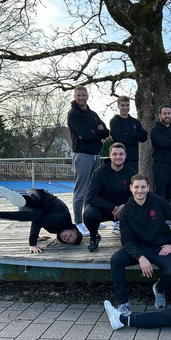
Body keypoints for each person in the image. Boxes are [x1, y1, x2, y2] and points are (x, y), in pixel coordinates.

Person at [110, 174, 171, 315]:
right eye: (136, 187)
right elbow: (126, 240)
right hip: (138, 247)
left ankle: (159, 289)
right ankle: (123, 303)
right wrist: (140, 257)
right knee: (116, 260)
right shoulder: (126, 210)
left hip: (160, 247)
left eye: (143, 187)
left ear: (148, 187)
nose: (140, 190)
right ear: (131, 188)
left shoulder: (159, 202)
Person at [0, 186, 82, 253]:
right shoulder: (63, 219)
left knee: (33, 214)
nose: (67, 238)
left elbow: (40, 220)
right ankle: (21, 196)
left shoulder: (56, 229)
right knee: (36, 213)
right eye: (71, 236)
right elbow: (39, 221)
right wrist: (32, 244)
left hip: (29, 207)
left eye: (67, 241)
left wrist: (37, 236)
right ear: (74, 229)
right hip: (39, 195)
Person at [67, 85, 109, 236]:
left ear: (87, 96)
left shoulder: (92, 114)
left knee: (91, 190)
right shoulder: (73, 114)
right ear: (75, 96)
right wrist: (96, 132)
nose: (81, 98)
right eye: (78, 95)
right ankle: (79, 222)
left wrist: (94, 133)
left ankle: (89, 219)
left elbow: (105, 131)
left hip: (95, 155)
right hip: (82, 154)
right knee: (80, 190)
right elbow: (86, 134)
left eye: (83, 95)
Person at [83, 143, 136, 251]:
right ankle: (94, 236)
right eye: (115, 154)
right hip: (104, 209)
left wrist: (125, 205)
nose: (118, 157)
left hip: (124, 208)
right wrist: (112, 208)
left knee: (140, 208)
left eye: (121, 154)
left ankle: (131, 235)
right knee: (89, 214)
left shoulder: (131, 173)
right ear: (110, 155)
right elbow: (91, 197)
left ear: (125, 155)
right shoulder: (99, 173)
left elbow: (138, 194)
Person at [150, 104, 171, 202]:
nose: (167, 115)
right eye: (165, 113)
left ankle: (168, 211)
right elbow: (162, 143)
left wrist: (168, 143)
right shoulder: (155, 130)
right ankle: (159, 212)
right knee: (159, 194)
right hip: (160, 166)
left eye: (169, 113)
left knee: (169, 194)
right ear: (159, 115)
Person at [109, 95, 147, 173]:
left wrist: (128, 134)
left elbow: (144, 136)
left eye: (127, 105)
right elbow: (120, 139)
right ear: (118, 106)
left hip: (134, 160)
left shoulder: (135, 122)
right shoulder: (114, 121)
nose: (125, 107)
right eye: (122, 105)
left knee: (134, 180)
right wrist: (136, 136)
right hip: (120, 160)